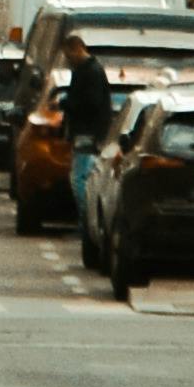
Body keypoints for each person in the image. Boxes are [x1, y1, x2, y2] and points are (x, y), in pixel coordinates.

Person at [59, 41, 114, 245]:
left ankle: (86, 223)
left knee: (80, 179)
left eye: (68, 54)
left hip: (87, 132)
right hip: (87, 131)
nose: (67, 59)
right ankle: (86, 223)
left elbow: (89, 104)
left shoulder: (89, 72)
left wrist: (65, 103)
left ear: (76, 49)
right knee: (81, 177)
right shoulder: (88, 69)